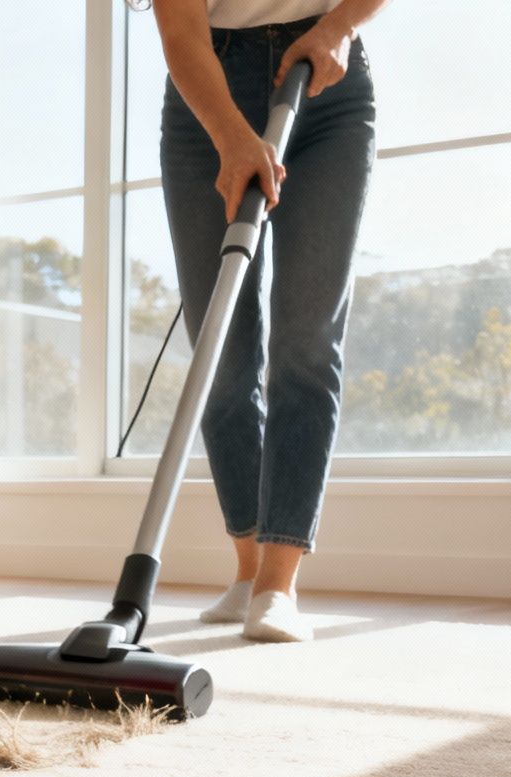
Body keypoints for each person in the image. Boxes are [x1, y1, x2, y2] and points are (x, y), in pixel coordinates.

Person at [138, 0, 384, 641]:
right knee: (221, 349)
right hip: (207, 92)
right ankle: (247, 571)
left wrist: (336, 28)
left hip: (327, 88)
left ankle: (279, 583)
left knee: (307, 338)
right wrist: (230, 136)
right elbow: (179, 27)